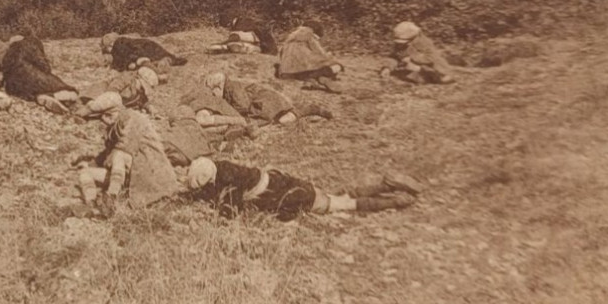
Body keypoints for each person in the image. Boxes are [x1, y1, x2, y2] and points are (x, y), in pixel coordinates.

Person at [184, 158, 421, 221]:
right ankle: (385, 185)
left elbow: (231, 211)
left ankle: (397, 201)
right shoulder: (222, 166)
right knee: (336, 195)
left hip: (284, 194)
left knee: (338, 205)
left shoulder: (227, 178)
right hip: (283, 182)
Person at [74, 92, 180, 216]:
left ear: (112, 113)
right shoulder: (114, 129)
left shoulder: (134, 118)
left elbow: (125, 147)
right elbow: (107, 153)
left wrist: (110, 159)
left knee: (119, 155)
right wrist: (91, 164)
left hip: (151, 174)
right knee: (85, 173)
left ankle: (111, 198)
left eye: (105, 116)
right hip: (127, 175)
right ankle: (92, 206)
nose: (103, 120)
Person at [2, 33, 81, 114]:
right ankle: (51, 96)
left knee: (29, 90)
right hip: (32, 77)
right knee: (71, 92)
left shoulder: (8, 53)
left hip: (12, 88)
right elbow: (45, 67)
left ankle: (39, 96)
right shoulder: (30, 43)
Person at [275, 25, 344, 86]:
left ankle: (311, 79)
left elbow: (281, 55)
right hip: (304, 71)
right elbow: (320, 53)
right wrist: (331, 58)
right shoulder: (310, 35)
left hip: (285, 74)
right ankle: (320, 77)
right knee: (337, 66)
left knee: (309, 66)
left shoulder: (289, 40)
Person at [389, 22, 455, 84]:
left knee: (443, 78)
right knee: (409, 76)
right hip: (416, 69)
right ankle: (421, 75)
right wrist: (387, 67)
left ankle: (433, 76)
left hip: (432, 67)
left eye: (407, 41)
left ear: (414, 38)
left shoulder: (424, 43)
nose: (403, 44)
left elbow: (430, 58)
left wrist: (412, 59)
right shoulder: (400, 45)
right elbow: (394, 56)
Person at [101, 33, 187, 73]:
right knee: (158, 55)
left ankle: (164, 63)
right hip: (146, 46)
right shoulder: (120, 43)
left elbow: (125, 57)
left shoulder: (118, 44)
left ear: (110, 45)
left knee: (142, 61)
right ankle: (168, 60)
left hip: (142, 49)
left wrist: (128, 64)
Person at [209, 15, 276, 55]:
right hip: (260, 44)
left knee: (233, 41)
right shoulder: (249, 24)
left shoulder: (242, 24)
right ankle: (225, 47)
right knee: (236, 43)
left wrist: (221, 43)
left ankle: (223, 47)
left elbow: (236, 37)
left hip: (258, 42)